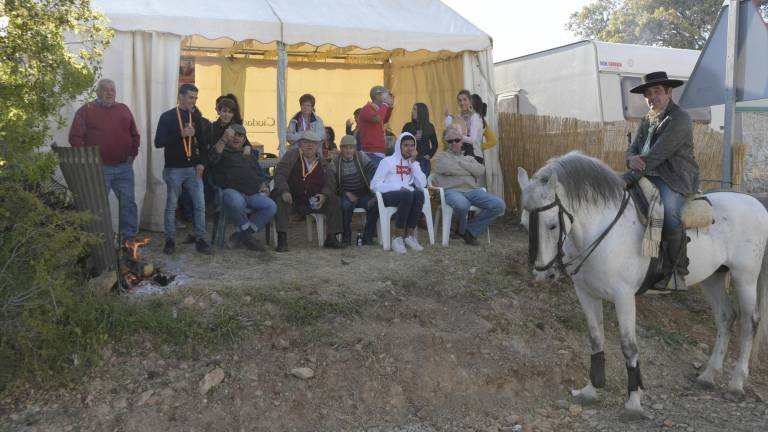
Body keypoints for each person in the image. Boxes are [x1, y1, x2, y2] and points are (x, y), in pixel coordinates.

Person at [626, 71, 699, 291]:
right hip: (646, 172)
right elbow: (633, 148)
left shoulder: (680, 118)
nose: (651, 97)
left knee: (669, 212)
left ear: (669, 92)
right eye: (647, 93)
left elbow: (659, 154)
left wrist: (631, 174)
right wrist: (630, 160)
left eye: (656, 91)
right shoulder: (647, 119)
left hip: (674, 176)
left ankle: (677, 271)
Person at [69, 78, 140, 243]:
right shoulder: (86, 110)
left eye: (112, 90)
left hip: (124, 168)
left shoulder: (124, 109)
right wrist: (88, 162)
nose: (109, 93)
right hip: (99, 169)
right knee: (98, 206)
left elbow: (134, 134)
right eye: (105, 89)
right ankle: (100, 241)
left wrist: (132, 154)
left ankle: (128, 240)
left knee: (128, 204)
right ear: (98, 92)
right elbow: (75, 138)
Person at [154, 83, 212, 255]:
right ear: (180, 96)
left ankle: (200, 239)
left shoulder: (197, 118)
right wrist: (180, 135)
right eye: (190, 97)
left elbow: (203, 145)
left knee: (200, 205)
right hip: (173, 169)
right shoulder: (167, 117)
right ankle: (170, 240)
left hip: (193, 169)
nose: (193, 102)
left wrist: (201, 163)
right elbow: (158, 142)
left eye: (195, 98)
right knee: (171, 206)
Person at [271, 130, 344, 252]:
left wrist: (324, 195)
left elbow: (330, 182)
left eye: (313, 143)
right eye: (306, 142)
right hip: (292, 198)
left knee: (334, 200)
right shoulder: (291, 156)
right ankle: (282, 239)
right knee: (280, 200)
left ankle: (331, 237)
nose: (310, 145)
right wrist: (284, 191)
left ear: (318, 146)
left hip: (312, 200)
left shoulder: (323, 163)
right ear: (300, 144)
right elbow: (280, 174)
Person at [433, 128, 506, 246]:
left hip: (472, 191)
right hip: (452, 191)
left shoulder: (469, 158)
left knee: (499, 205)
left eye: (457, 140)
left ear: (462, 141)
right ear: (445, 143)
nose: (454, 143)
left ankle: (469, 230)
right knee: (462, 205)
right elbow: (446, 168)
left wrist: (460, 163)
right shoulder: (441, 156)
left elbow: (480, 170)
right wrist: (469, 171)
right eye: (450, 141)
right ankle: (463, 230)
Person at [209, 124, 276, 251]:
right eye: (233, 135)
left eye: (240, 136)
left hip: (252, 194)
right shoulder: (221, 151)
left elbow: (260, 174)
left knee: (271, 206)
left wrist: (264, 185)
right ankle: (247, 237)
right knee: (236, 201)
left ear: (244, 140)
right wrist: (223, 139)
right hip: (230, 192)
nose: (236, 138)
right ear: (228, 136)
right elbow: (212, 159)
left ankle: (241, 235)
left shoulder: (249, 155)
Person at [370, 132, 427, 254]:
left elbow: (422, 184)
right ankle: (397, 238)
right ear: (399, 146)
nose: (409, 148)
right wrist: (397, 186)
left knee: (419, 195)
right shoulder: (387, 161)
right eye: (406, 145)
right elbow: (374, 185)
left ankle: (409, 236)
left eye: (412, 145)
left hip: (407, 196)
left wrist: (413, 164)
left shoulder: (413, 164)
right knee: (408, 194)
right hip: (389, 195)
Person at [329, 135, 378, 246]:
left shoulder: (361, 157)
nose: (348, 150)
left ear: (355, 148)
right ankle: (346, 236)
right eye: (345, 147)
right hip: (345, 194)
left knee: (375, 205)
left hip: (363, 194)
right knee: (345, 206)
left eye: (351, 147)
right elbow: (332, 185)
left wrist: (375, 190)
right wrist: (346, 193)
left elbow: (375, 171)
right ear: (341, 149)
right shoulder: (335, 163)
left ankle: (367, 236)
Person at [444, 89, 484, 164]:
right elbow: (449, 132)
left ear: (470, 101)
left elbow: (472, 140)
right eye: (460, 100)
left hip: (474, 155)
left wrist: (458, 135)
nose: (462, 103)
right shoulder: (459, 117)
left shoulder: (474, 117)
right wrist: (448, 118)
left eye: (465, 100)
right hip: (462, 154)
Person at [358, 85, 394, 167]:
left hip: (378, 152)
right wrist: (385, 104)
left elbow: (384, 120)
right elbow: (378, 119)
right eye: (386, 94)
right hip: (371, 153)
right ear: (378, 96)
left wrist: (390, 107)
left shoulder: (378, 109)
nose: (388, 96)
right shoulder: (367, 108)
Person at [401, 102, 438, 176]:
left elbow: (435, 144)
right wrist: (413, 138)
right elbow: (401, 141)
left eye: (415, 109)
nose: (412, 111)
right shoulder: (408, 126)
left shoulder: (429, 126)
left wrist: (429, 155)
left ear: (421, 111)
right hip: (409, 159)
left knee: (422, 184)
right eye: (412, 109)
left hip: (423, 160)